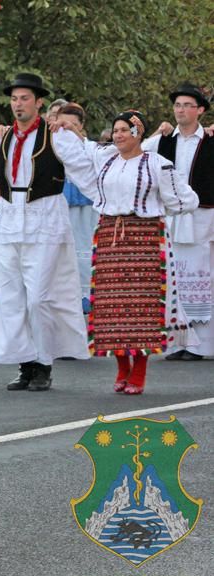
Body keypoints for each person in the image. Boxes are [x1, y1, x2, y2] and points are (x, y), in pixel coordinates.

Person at [54, 110, 199, 394]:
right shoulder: (106, 158)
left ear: (138, 133)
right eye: (116, 130)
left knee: (141, 307)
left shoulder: (157, 164)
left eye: (124, 130)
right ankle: (122, 368)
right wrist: (63, 128)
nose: (118, 135)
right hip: (109, 235)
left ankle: (140, 371)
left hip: (144, 238)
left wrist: (157, 212)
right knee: (111, 307)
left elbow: (185, 199)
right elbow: (79, 147)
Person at [0, 73, 90, 391]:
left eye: (24, 98)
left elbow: (86, 168)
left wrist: (111, 201)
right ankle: (25, 364)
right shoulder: (3, 137)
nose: (18, 104)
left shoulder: (57, 135)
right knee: (11, 297)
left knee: (39, 298)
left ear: (38, 102)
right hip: (9, 218)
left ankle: (44, 363)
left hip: (44, 217)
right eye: (14, 99)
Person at [144, 83, 214, 361]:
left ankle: (201, 345)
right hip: (172, 219)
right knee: (173, 279)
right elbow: (133, 151)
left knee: (201, 277)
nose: (181, 110)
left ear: (200, 110)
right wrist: (154, 132)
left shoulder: (209, 139)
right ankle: (177, 342)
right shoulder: (163, 140)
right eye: (177, 105)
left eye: (187, 105)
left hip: (202, 218)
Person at [56, 103, 97, 312]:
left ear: (81, 126)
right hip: (59, 201)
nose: (67, 127)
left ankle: (86, 295)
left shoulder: (88, 147)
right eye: (63, 122)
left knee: (84, 245)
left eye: (73, 124)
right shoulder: (53, 143)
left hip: (85, 203)